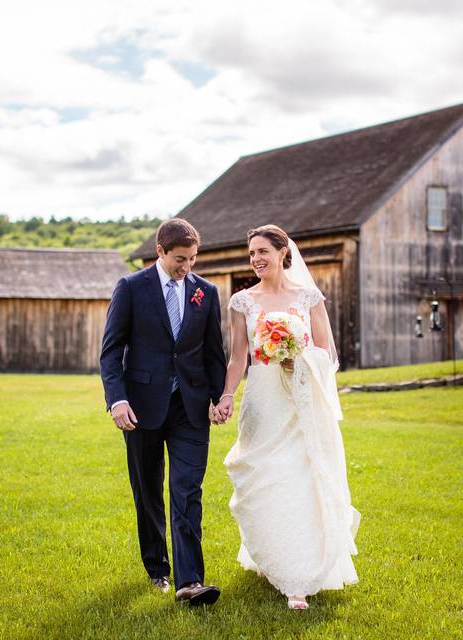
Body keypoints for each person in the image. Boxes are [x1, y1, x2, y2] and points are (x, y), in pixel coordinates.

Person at [213, 224, 360, 610]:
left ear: (283, 253)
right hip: (262, 403)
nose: (256, 259)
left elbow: (327, 354)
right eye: (251, 254)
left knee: (297, 478)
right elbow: (238, 358)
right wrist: (227, 395)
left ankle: (298, 577)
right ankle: (270, 552)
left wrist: (299, 357)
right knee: (264, 477)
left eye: (263, 251)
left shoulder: (308, 297)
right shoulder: (242, 302)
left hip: (299, 402)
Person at [99, 218, 227, 606]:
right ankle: (158, 569)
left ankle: (190, 581)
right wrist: (116, 399)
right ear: (160, 252)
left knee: (187, 488)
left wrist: (219, 396)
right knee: (148, 491)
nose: (186, 267)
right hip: (139, 407)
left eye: (191, 259)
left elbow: (213, 353)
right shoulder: (131, 288)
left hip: (190, 407)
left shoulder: (206, 292)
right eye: (179, 259)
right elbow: (110, 350)